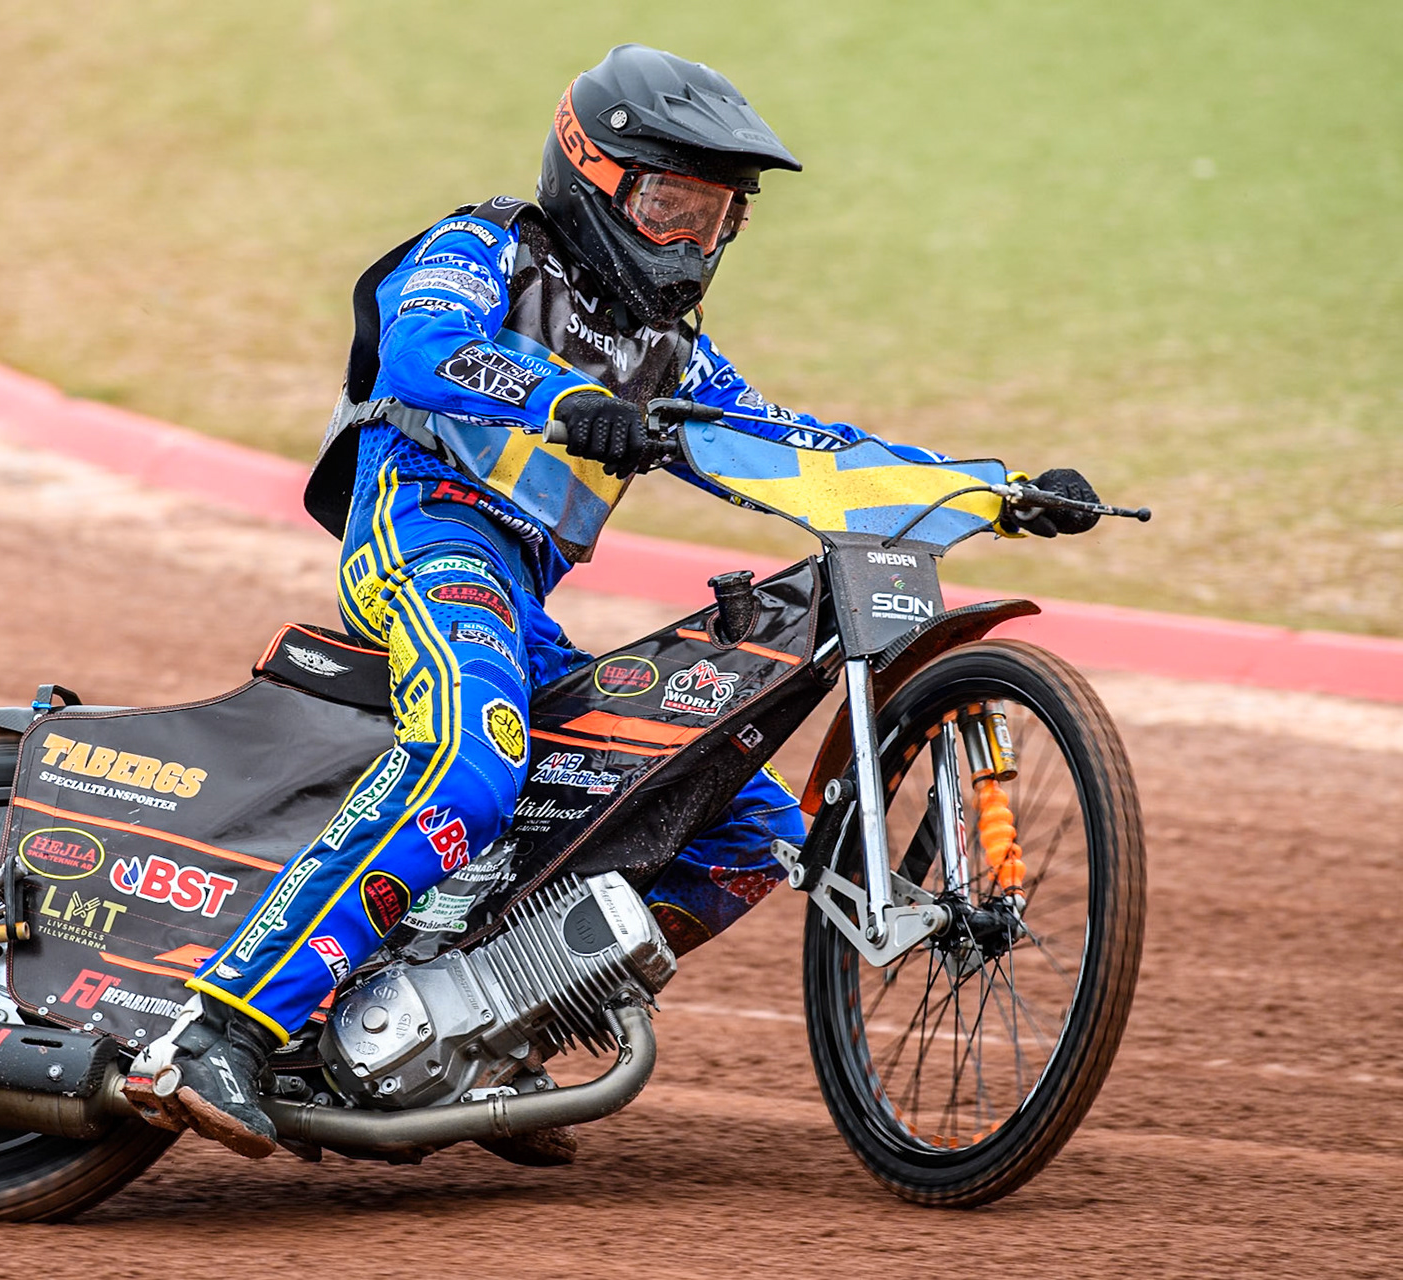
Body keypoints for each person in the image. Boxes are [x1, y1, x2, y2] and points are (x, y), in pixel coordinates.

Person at [125, 44, 1100, 1159]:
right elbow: (422, 348)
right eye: (670, 205)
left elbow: (801, 451)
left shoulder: (670, 353)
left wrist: (989, 489)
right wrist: (566, 397)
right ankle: (217, 1028)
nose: (692, 242)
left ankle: (497, 1020)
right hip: (426, 532)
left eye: (717, 217)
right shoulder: (482, 246)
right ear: (589, 173)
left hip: (521, 598)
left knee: (744, 827)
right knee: (474, 759)